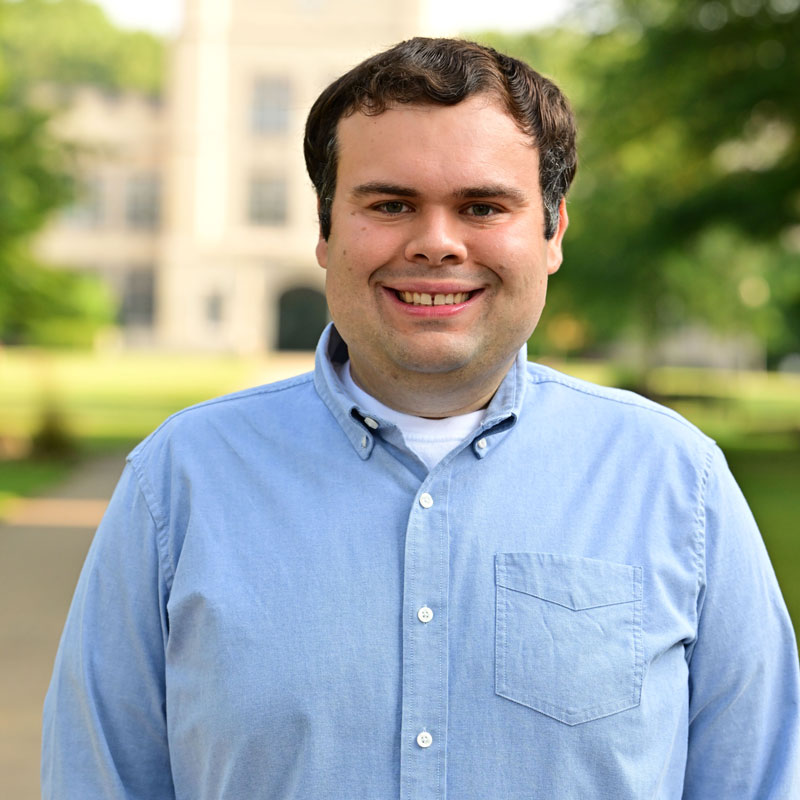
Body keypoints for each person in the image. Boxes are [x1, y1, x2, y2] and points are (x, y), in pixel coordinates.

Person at [42, 37, 799, 799]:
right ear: (325, 229)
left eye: (482, 206)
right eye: (391, 203)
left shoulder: (676, 482)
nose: (436, 243)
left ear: (554, 232)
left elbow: (763, 777)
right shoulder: (180, 481)